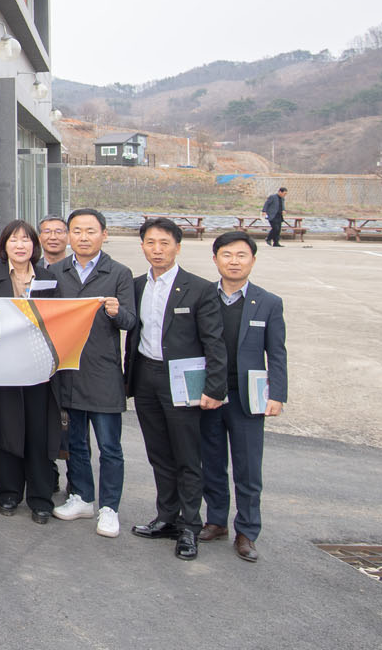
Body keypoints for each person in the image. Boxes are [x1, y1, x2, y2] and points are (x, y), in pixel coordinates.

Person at [126, 217, 227, 562]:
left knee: (186, 455)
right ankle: (166, 517)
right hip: (146, 376)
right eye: (150, 243)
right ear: (142, 246)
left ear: (177, 247)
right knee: (158, 453)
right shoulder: (136, 285)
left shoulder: (199, 289)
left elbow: (214, 342)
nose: (157, 250)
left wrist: (214, 388)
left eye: (164, 243)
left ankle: (190, 526)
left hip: (183, 380)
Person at [198, 230, 287, 562]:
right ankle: (216, 520)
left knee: (248, 468)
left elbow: (276, 353)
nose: (233, 262)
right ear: (215, 259)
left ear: (252, 260)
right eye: (227, 255)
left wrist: (277, 394)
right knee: (212, 462)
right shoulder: (203, 296)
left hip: (249, 397)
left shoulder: (269, 302)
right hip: (210, 395)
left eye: (241, 255)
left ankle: (247, 531)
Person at [51, 208, 137, 538]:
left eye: (90, 231)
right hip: (68, 370)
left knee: (109, 446)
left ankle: (109, 507)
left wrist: (116, 312)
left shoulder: (119, 273)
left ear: (104, 234)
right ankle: (82, 496)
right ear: (68, 236)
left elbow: (131, 321)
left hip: (103, 372)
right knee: (76, 442)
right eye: (77, 231)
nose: (83, 237)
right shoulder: (56, 271)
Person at [0, 219, 63, 521]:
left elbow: (60, 319)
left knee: (38, 433)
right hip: (4, 367)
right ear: (4, 246)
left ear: (34, 246)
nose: (20, 245)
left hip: (40, 368)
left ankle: (40, 498)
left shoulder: (49, 278)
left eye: (26, 240)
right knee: (7, 430)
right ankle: (9, 492)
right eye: (13, 240)